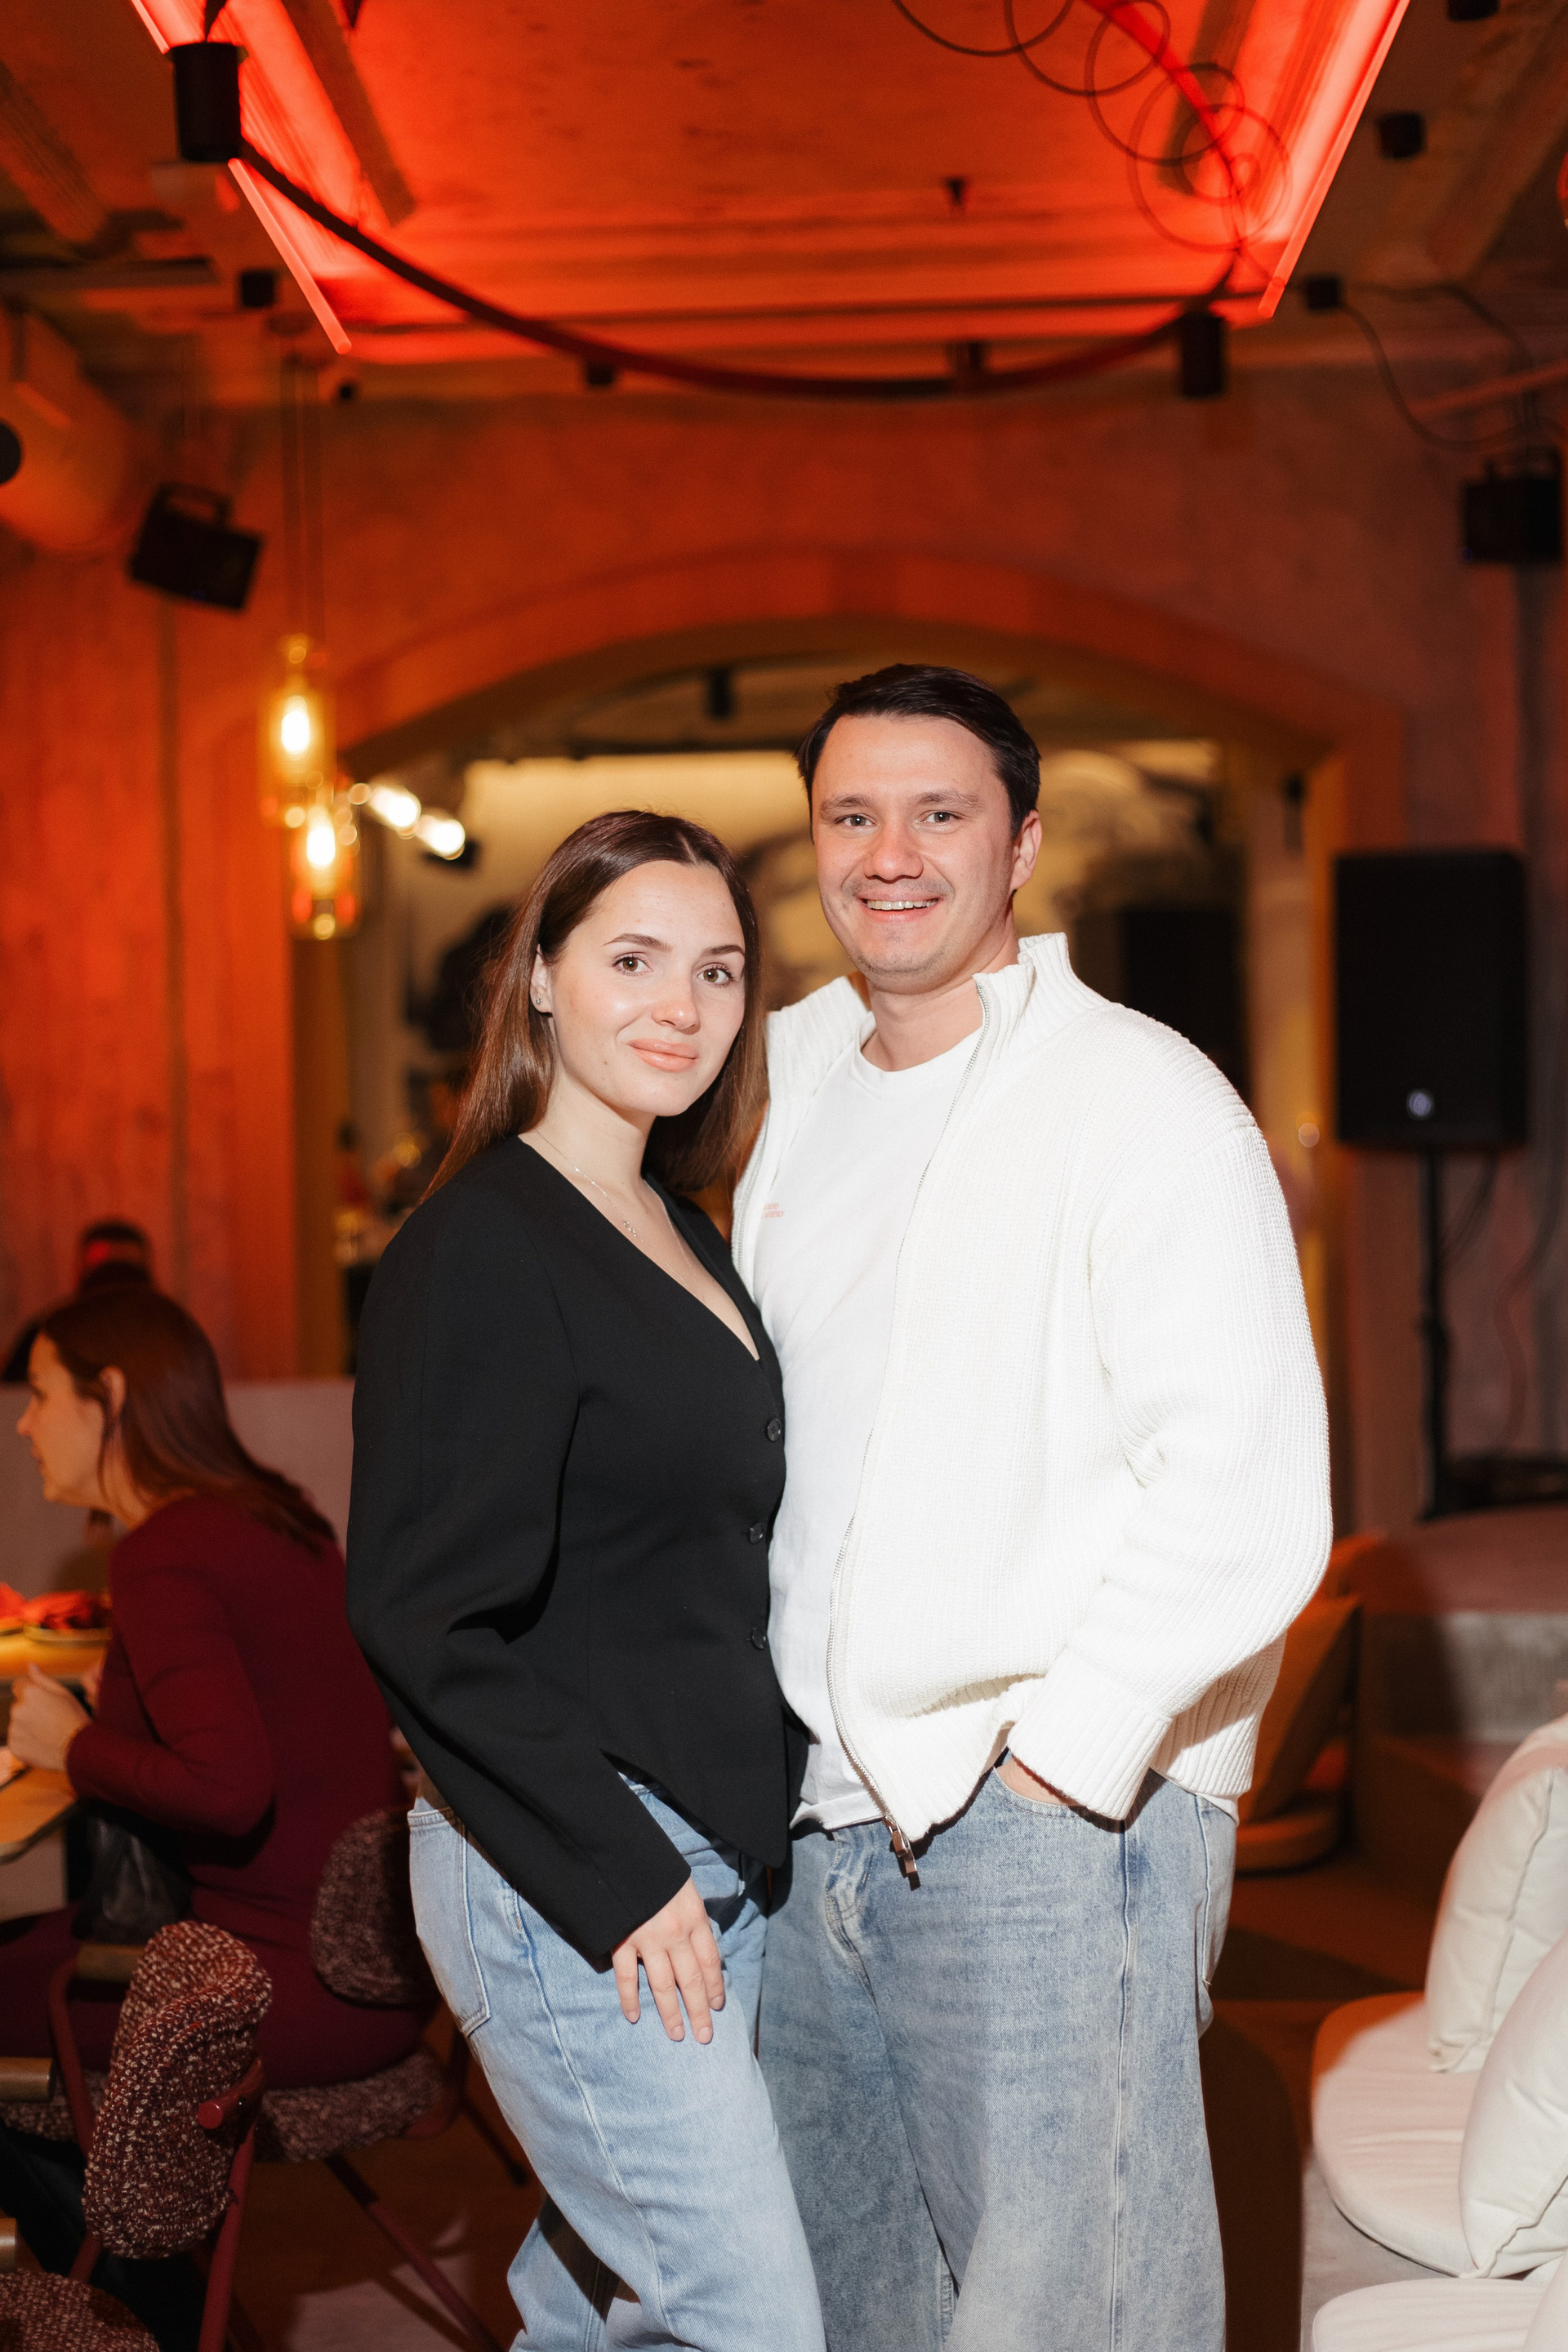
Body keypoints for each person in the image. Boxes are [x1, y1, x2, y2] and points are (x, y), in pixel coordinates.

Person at [734, 665, 1333, 2352]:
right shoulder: (796, 1098)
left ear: (1022, 845)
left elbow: (1244, 1475)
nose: (892, 853)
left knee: (1075, 2318)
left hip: (1045, 1813)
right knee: (861, 2313)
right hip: (819, 1819)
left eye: (941, 813)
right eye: (853, 815)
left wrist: (1068, 1762)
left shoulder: (1143, 1095)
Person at [347, 811, 825, 2352]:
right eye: (634, 960)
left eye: (718, 971)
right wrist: (625, 1877)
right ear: (542, 978)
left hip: (704, 1854)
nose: (681, 1005)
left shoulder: (681, 1227)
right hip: (576, 1871)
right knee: (749, 2320)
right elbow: (422, 1614)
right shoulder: (483, 1242)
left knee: (600, 2308)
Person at [1, 1284, 424, 2341]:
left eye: (41, 1394)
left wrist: (70, 1745)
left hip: (260, 1993)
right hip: (371, 1974)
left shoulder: (165, 1550)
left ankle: (151, 2317)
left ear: (110, 1396)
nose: (23, 1423)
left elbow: (229, 1791)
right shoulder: (273, 1515)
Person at [2, 1218, 155, 1384]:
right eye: (100, 1274)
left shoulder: (166, 1334)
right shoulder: (48, 1333)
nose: (111, 1285)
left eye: (126, 1274)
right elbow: (14, 1392)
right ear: (78, 1272)